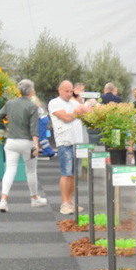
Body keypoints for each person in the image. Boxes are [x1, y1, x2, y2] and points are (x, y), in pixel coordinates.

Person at [0, 78, 44, 212]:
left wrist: (5, 129)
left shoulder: (10, 103)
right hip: (27, 143)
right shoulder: (32, 106)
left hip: (11, 142)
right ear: (31, 91)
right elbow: (34, 128)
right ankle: (34, 198)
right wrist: (36, 145)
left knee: (10, 170)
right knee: (31, 171)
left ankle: (3, 200)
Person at [48, 79, 87, 214]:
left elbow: (84, 112)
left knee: (74, 174)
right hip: (65, 142)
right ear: (59, 90)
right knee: (66, 173)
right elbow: (65, 118)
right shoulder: (54, 103)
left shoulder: (74, 103)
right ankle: (64, 203)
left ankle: (70, 201)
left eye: (71, 91)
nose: (69, 94)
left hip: (77, 142)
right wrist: (77, 113)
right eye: (67, 91)